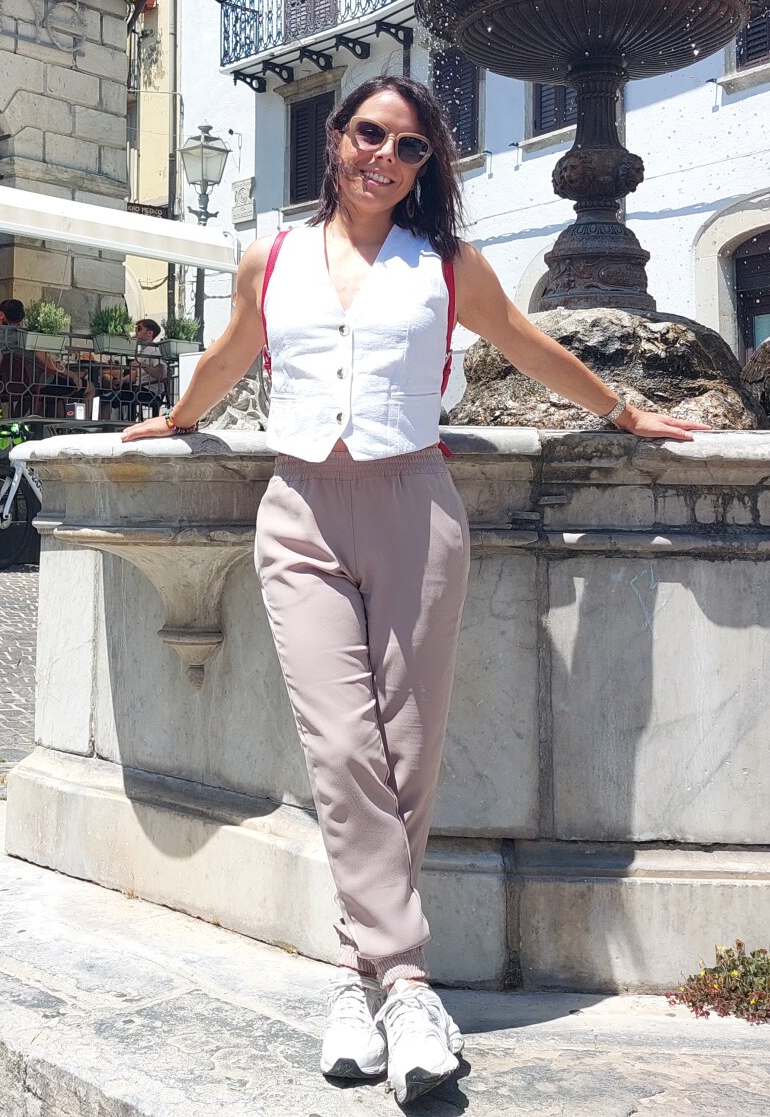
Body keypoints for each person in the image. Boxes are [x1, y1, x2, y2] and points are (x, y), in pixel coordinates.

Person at [121, 76, 706, 1104]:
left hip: (415, 508)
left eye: (407, 146)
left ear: (426, 166)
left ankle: (359, 987)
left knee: (404, 751)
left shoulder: (444, 265)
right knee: (342, 746)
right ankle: (408, 981)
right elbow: (227, 356)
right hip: (298, 510)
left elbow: (527, 344)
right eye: (366, 134)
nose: (382, 156)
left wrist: (622, 410)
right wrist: (175, 420)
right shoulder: (273, 256)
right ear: (336, 142)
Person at [100, 317, 169, 418]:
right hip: (139, 389)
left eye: (139, 328)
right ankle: (112, 425)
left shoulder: (154, 351)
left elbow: (161, 374)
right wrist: (123, 380)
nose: (136, 331)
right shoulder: (143, 352)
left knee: (108, 397)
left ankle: (106, 427)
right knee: (108, 396)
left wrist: (142, 364)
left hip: (149, 392)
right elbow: (135, 374)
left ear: (150, 333)